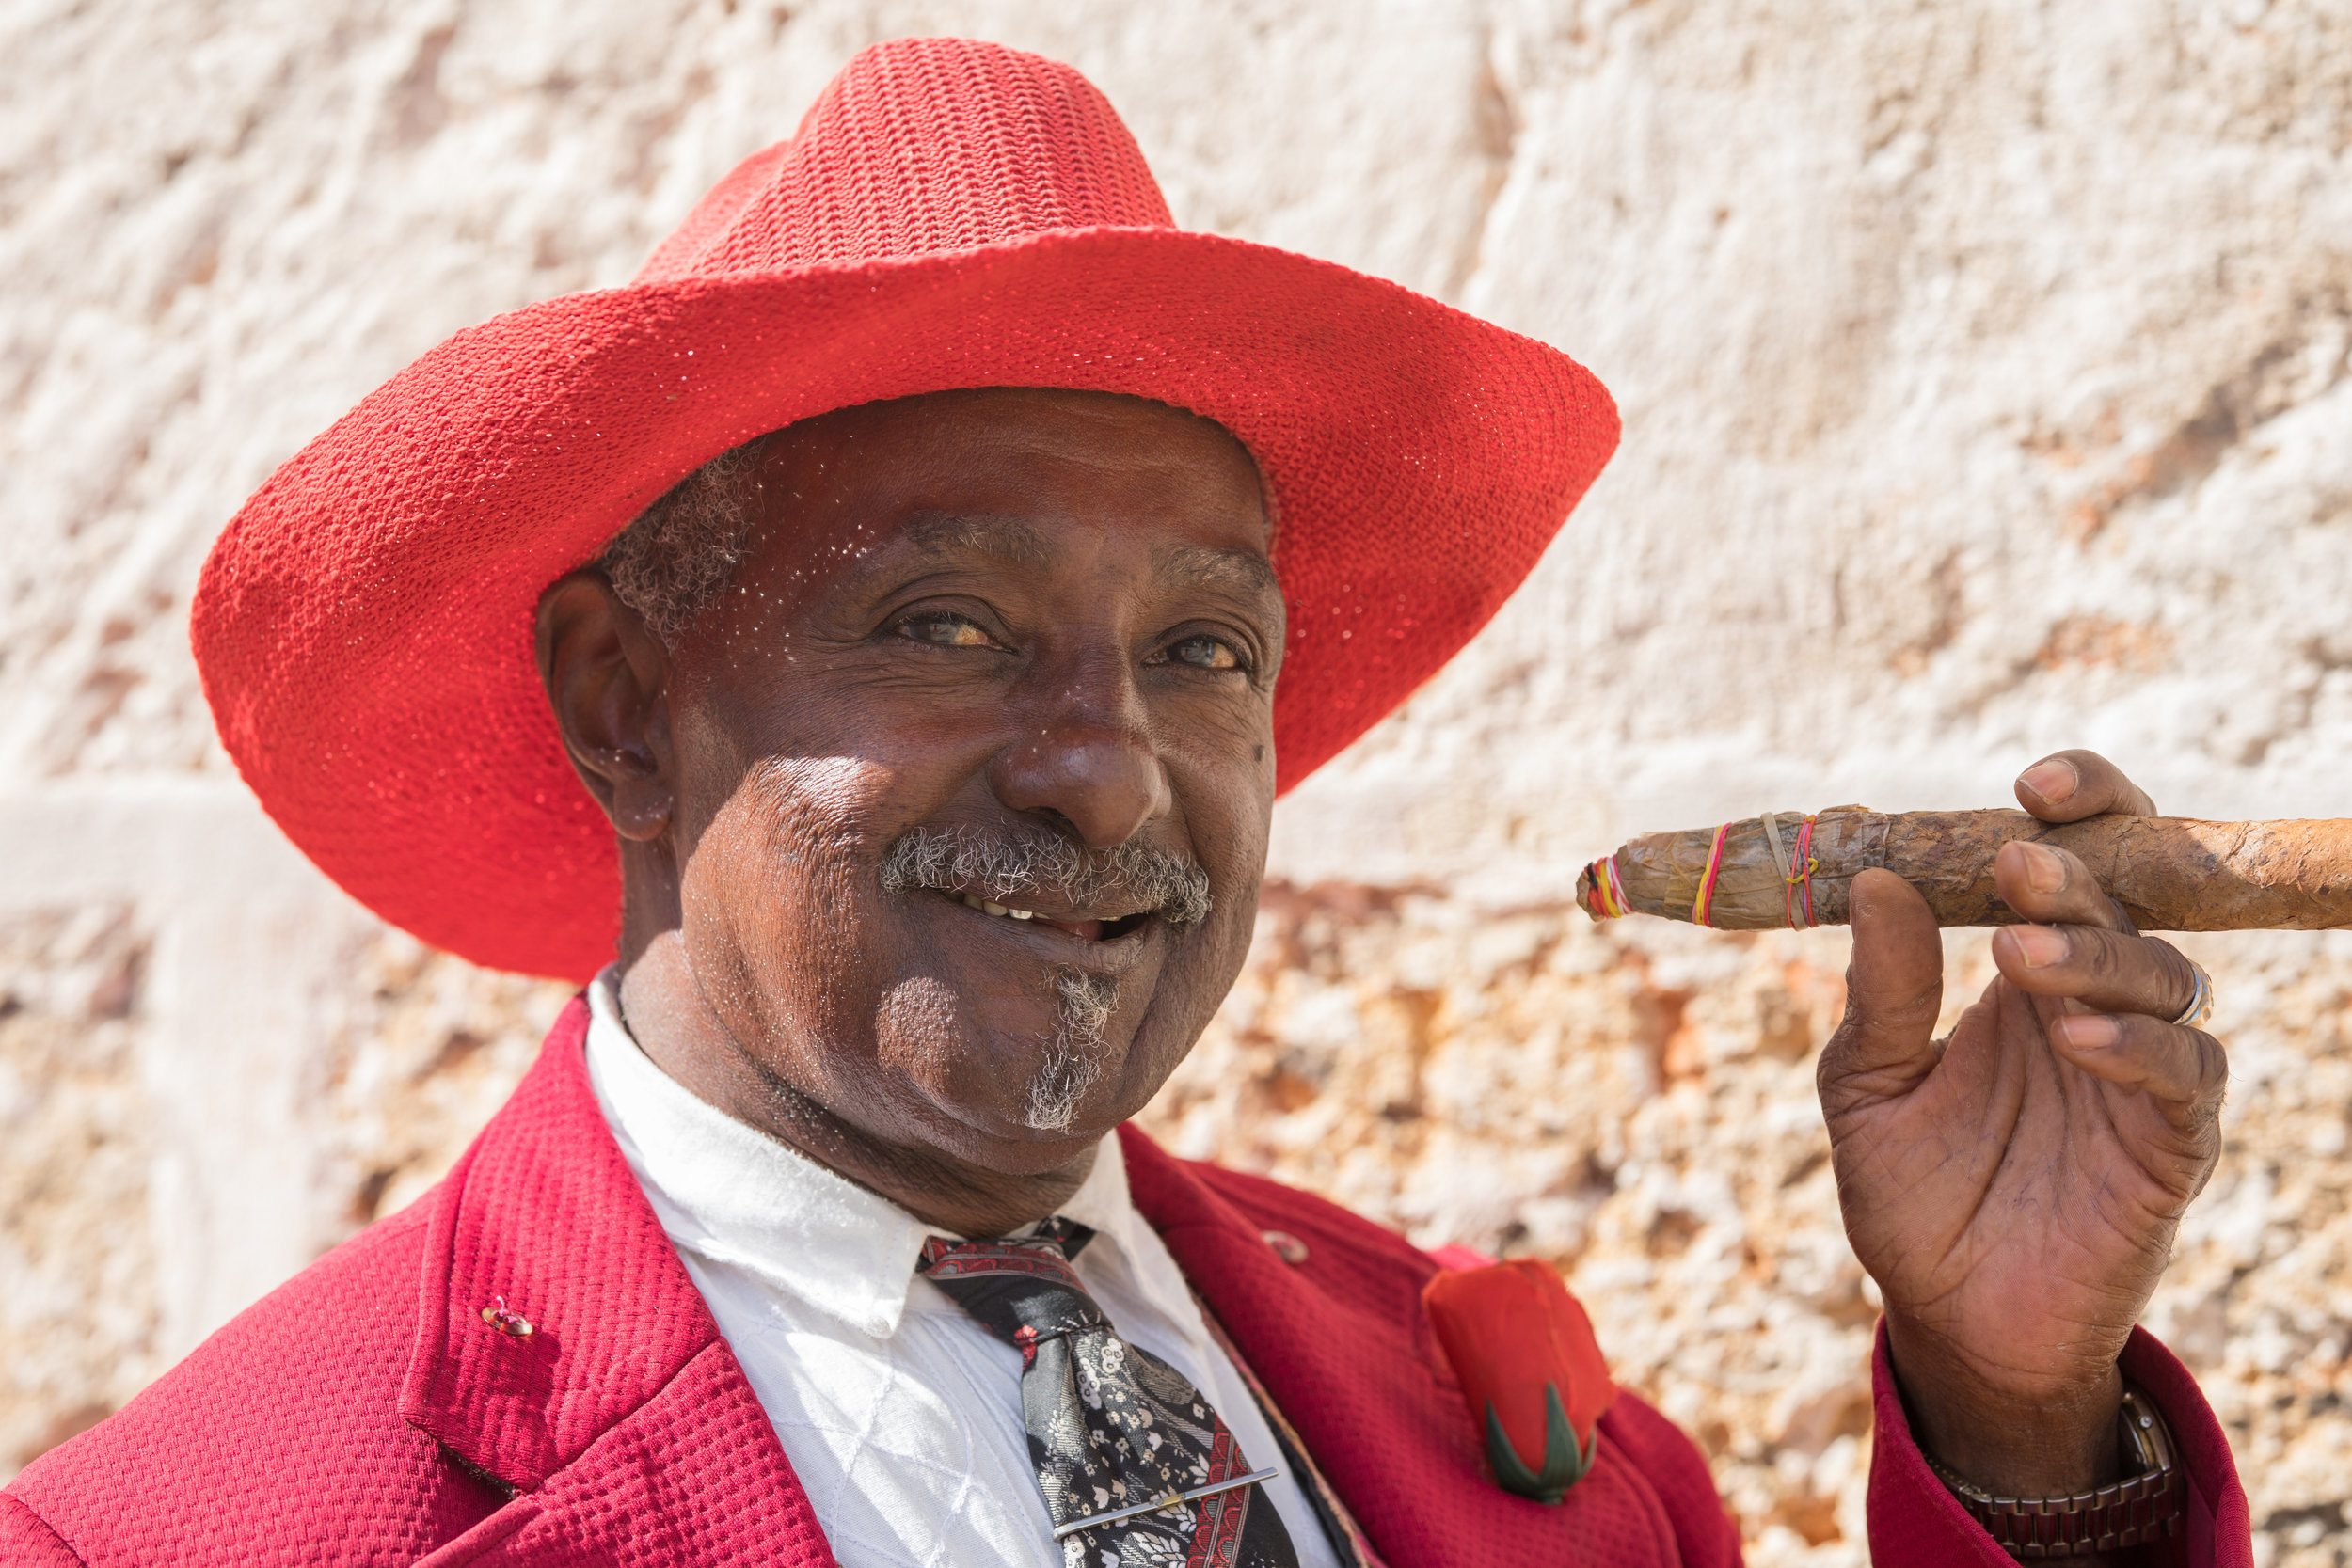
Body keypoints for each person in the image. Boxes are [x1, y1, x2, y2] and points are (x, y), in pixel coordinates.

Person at [2, 37, 2250, 1566]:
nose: (1104, 774)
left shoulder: (1536, 1453)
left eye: (1200, 652)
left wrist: (2017, 1427)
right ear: (624, 705)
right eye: (950, 628)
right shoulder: (218, 1527)